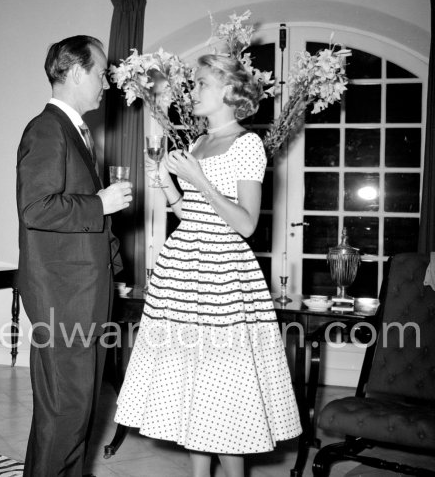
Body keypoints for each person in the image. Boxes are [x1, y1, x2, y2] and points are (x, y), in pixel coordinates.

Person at [115, 53, 302, 477]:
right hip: (184, 269)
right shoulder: (198, 143)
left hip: (222, 275)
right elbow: (188, 213)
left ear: (230, 92)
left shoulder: (247, 145)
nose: (192, 91)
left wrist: (198, 179)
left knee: (225, 394)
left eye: (201, 84)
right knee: (196, 389)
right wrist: (164, 181)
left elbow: (246, 224)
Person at [16, 35, 132, 477]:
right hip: (64, 298)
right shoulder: (47, 129)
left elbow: (76, 220)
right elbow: (35, 208)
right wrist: (100, 204)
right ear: (78, 72)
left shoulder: (75, 132)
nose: (106, 82)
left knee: (71, 413)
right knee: (68, 412)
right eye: (101, 72)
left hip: (82, 291)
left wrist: (112, 266)